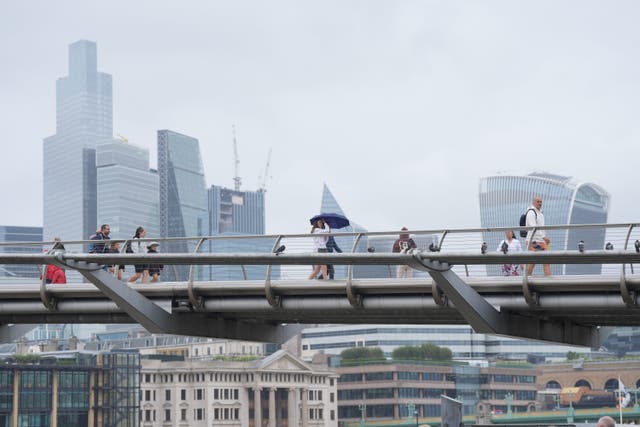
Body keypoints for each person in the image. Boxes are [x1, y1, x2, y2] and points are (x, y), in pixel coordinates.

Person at [525, 197, 551, 276]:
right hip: (533, 241)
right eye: (538, 201)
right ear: (533, 202)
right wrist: (544, 237)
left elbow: (541, 228)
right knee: (533, 261)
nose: (540, 203)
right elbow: (534, 227)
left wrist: (544, 237)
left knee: (546, 261)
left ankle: (549, 281)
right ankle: (527, 279)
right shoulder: (531, 212)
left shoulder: (541, 213)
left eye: (541, 202)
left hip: (541, 241)